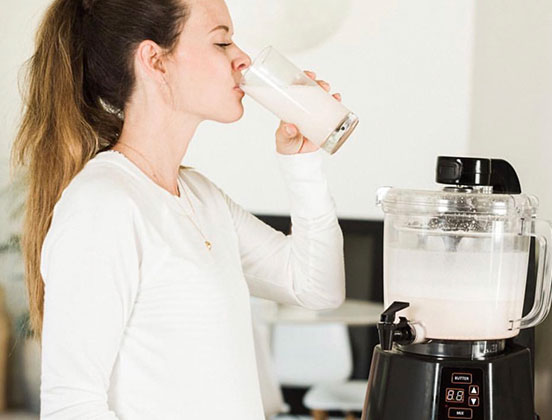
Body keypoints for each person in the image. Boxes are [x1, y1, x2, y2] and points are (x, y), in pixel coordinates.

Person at [10, 0, 346, 418]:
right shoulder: (103, 204)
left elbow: (318, 288)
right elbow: (71, 405)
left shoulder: (198, 196)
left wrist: (303, 164)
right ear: (155, 60)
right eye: (221, 41)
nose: (241, 57)